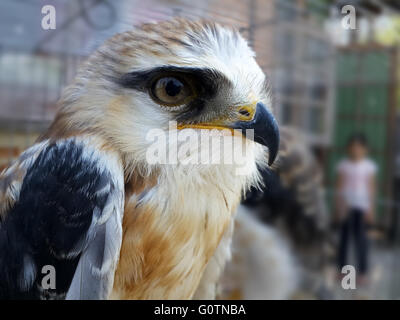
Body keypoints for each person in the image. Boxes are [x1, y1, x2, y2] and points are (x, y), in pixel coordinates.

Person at [335, 133, 377, 285]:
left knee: (361, 241)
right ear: (348, 149)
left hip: (362, 207)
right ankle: (344, 273)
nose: (356, 150)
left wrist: (371, 209)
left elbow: (371, 188)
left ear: (365, 149)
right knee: (344, 241)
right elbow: (339, 188)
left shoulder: (368, 166)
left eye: (359, 147)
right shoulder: (344, 165)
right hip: (346, 207)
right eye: (353, 147)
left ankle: (363, 273)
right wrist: (338, 208)